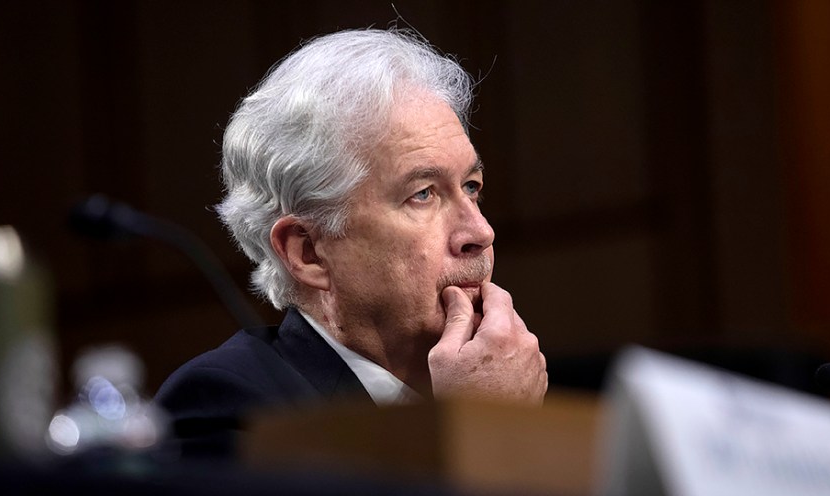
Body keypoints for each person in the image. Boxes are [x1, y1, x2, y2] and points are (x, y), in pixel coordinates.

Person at [154, 28, 548, 457]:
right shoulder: (233, 405)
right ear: (308, 252)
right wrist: (485, 430)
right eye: (423, 194)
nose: (480, 233)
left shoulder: (506, 380)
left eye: (471, 187)